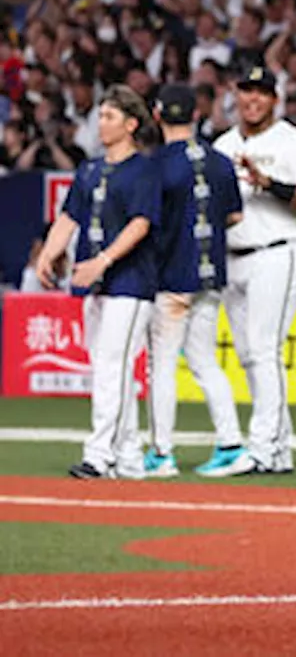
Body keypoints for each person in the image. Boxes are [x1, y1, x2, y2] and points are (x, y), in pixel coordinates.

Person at [35, 85, 160, 479]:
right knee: (110, 367)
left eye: (109, 116)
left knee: (111, 365)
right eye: (100, 116)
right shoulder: (90, 169)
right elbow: (70, 216)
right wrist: (48, 253)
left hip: (132, 281)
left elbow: (141, 223)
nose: (101, 123)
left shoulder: (143, 169)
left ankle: (99, 453)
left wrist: (102, 261)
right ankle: (128, 455)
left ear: (131, 124)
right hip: (98, 283)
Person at [213, 67, 296, 475]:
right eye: (246, 91)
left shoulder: (293, 141)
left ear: (274, 99)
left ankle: (262, 448)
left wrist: (269, 183)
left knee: (263, 350)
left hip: (279, 252)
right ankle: (278, 448)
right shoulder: (223, 144)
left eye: (261, 92)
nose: (253, 99)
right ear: (235, 94)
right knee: (250, 355)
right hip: (234, 256)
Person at [143, 85, 248, 479]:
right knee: (204, 362)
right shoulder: (220, 161)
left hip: (171, 274)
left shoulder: (156, 164)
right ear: (195, 114)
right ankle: (231, 444)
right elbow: (235, 217)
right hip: (211, 272)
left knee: (163, 365)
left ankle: (161, 453)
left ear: (157, 115)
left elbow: (147, 223)